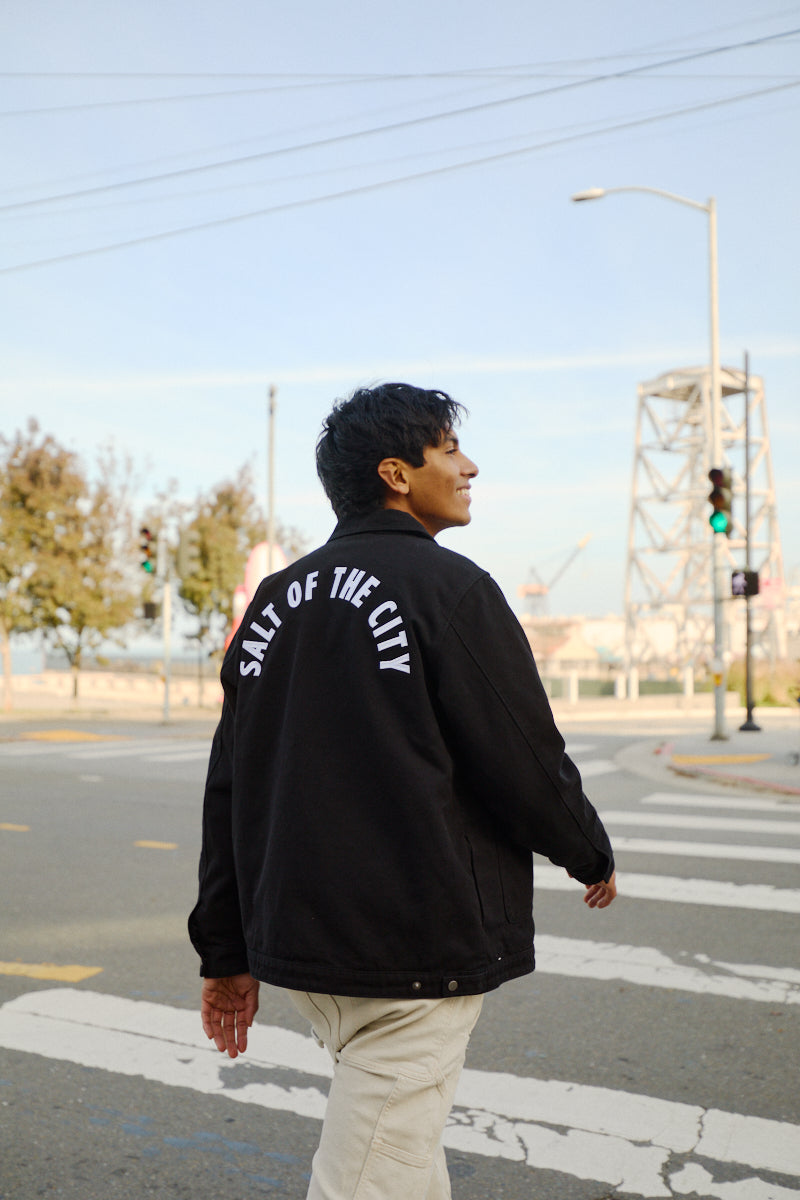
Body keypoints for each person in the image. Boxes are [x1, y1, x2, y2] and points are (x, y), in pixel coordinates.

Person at [188, 381, 617, 1200]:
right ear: (396, 472)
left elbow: (230, 787)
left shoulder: (274, 601)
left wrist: (225, 949)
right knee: (370, 1178)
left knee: (401, 1154)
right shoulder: (449, 589)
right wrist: (586, 849)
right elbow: (522, 751)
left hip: (308, 949)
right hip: (413, 951)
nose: (470, 467)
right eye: (449, 449)